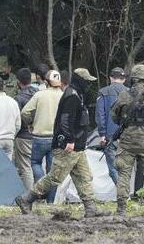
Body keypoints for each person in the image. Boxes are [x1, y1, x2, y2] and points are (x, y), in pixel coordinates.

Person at [15, 68, 110, 217]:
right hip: (68, 146)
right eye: (86, 81)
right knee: (55, 177)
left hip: (77, 147)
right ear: (80, 81)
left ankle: (90, 208)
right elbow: (66, 121)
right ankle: (26, 199)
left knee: (84, 176)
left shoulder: (76, 94)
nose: (89, 85)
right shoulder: (72, 96)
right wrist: (70, 140)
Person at [111, 64, 144, 217]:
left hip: (127, 140)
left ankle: (121, 209)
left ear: (133, 79)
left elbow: (114, 117)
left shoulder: (123, 95)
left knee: (124, 174)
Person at [21, 70, 63, 203]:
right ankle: (50, 203)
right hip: (57, 139)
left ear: (46, 82)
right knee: (53, 172)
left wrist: (30, 123)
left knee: (35, 163)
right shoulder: (63, 95)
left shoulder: (39, 95)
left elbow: (25, 112)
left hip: (39, 137)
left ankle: (40, 186)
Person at [95, 67, 127, 185]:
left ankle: (122, 193)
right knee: (126, 168)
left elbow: (100, 114)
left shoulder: (103, 92)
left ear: (110, 78)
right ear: (124, 79)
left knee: (113, 168)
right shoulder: (130, 92)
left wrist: (102, 134)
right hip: (127, 136)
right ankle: (126, 192)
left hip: (110, 136)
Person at [14, 68, 38, 190]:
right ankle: (42, 193)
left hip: (23, 136)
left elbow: (17, 119)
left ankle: (28, 195)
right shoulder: (39, 94)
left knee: (25, 168)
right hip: (40, 136)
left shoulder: (18, 98)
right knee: (38, 165)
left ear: (18, 82)